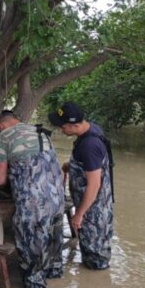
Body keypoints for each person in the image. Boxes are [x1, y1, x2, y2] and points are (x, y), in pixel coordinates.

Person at [0, 110, 64, 288]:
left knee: (30, 239)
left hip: (33, 202)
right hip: (57, 198)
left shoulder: (4, 136)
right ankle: (54, 272)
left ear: (0, 125)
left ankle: (35, 285)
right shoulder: (41, 132)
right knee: (52, 234)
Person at [48, 102, 114, 270]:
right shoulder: (91, 130)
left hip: (93, 209)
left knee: (95, 257)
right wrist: (70, 166)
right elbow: (93, 166)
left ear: (75, 125)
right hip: (96, 204)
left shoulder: (89, 145)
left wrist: (79, 214)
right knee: (93, 248)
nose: (60, 130)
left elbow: (94, 184)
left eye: (62, 127)